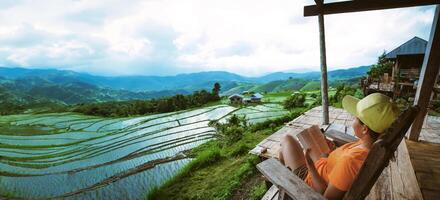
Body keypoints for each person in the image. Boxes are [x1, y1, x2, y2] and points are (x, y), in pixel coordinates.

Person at [278, 93, 400, 200]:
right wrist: (332, 152)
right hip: (324, 164)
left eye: (355, 118)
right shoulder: (369, 145)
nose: (352, 120)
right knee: (286, 144)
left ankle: (287, 187)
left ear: (364, 129)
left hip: (308, 181)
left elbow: (325, 196)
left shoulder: (350, 161)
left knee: (286, 140)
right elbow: (339, 170)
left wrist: (310, 165)